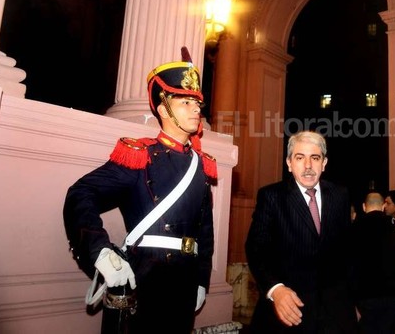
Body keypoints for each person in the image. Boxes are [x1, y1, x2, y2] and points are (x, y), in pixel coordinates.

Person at [63, 47, 216, 334]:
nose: (196, 109)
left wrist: (201, 280)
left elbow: (204, 231)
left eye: (197, 103)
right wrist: (99, 251)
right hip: (145, 278)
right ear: (163, 109)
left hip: (185, 281)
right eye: (185, 102)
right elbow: (81, 194)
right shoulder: (140, 155)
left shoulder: (201, 164)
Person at [245, 130, 358, 333]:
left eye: (315, 158)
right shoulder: (271, 196)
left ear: (324, 163)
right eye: (300, 158)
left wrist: (352, 302)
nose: (308, 165)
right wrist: (275, 289)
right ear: (289, 163)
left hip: (334, 312)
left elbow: (346, 252)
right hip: (288, 310)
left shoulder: (340, 195)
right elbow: (256, 249)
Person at [350, 192, 395, 334]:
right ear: (383, 206)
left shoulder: (353, 231)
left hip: (363, 300)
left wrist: (351, 303)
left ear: (364, 207)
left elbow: (349, 270)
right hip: (390, 300)